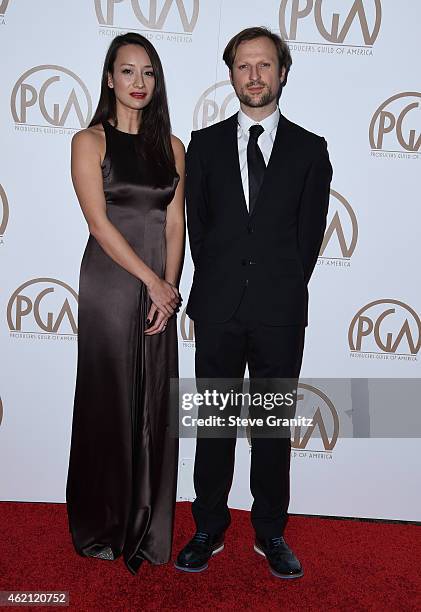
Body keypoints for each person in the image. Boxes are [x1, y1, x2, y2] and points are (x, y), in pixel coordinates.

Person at [176, 27, 332, 579]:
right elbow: (200, 228)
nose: (255, 75)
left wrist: (277, 290)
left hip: (278, 313)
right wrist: (217, 291)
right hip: (217, 310)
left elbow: (308, 236)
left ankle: (270, 532)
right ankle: (208, 527)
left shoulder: (311, 150)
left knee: (271, 431)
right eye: (244, 66)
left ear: (282, 72)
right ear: (231, 74)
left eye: (265, 65)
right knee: (213, 426)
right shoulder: (205, 144)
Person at [66, 32, 185, 575]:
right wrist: (151, 283)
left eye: (148, 73)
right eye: (128, 71)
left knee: (155, 407)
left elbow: (175, 223)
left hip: (158, 286)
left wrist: (169, 285)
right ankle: (104, 524)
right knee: (110, 401)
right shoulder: (89, 141)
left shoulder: (173, 147)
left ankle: (147, 525)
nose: (139, 83)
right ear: (109, 77)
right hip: (111, 285)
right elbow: (99, 224)